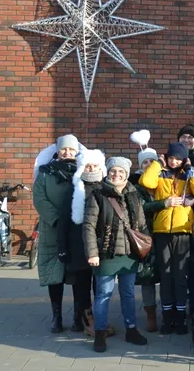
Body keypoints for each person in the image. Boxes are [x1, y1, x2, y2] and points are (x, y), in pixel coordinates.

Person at [82, 157, 149, 353]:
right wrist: (92, 253)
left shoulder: (134, 195)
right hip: (106, 254)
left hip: (130, 255)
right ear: (108, 173)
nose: (116, 175)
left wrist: (144, 248)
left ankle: (131, 329)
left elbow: (142, 224)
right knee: (103, 294)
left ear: (127, 175)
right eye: (113, 171)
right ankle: (100, 332)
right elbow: (88, 226)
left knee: (128, 294)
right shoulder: (98, 195)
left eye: (121, 172)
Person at [141, 142, 194, 335]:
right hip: (162, 231)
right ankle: (167, 317)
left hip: (183, 230)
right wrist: (157, 163)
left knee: (179, 276)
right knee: (166, 275)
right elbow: (146, 182)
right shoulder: (160, 173)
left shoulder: (188, 174)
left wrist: (190, 170)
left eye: (178, 159)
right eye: (171, 158)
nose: (174, 161)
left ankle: (180, 318)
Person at [32, 134, 81, 333]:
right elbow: (39, 198)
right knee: (55, 275)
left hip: (76, 230)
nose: (67, 153)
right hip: (52, 230)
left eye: (71, 149)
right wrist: (58, 220)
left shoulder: (82, 171)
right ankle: (56, 315)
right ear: (57, 151)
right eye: (64, 149)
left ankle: (79, 316)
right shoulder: (45, 173)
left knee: (78, 274)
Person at [62, 149, 105, 336]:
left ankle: (97, 319)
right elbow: (63, 221)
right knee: (81, 286)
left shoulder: (106, 188)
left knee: (100, 285)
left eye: (94, 165)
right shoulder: (73, 190)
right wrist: (62, 247)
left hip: (101, 246)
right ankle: (84, 318)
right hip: (78, 245)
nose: (91, 168)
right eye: (88, 165)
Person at [131, 142, 167, 333]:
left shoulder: (165, 180)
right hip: (145, 235)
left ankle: (169, 311)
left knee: (168, 274)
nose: (149, 165)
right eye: (145, 162)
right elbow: (140, 208)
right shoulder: (136, 186)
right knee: (148, 277)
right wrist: (164, 204)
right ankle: (151, 314)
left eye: (152, 161)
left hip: (166, 233)